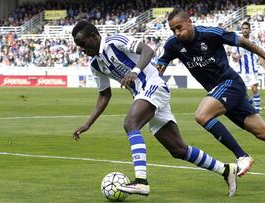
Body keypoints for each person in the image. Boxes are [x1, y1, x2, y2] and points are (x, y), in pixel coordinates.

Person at [156, 7, 265, 188]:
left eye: (179, 27)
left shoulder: (210, 34)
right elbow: (160, 66)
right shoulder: (172, 44)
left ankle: (241, 156)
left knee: (202, 115)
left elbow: (242, 41)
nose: (177, 33)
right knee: (264, 132)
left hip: (230, 83)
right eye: (173, 30)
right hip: (221, 92)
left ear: (189, 22)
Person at [71, 21, 238, 197]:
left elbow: (148, 50)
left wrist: (135, 72)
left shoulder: (115, 41)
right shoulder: (96, 65)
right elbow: (104, 94)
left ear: (94, 36)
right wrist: (88, 123)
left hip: (153, 86)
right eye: (78, 46)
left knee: (130, 123)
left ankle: (141, 181)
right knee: (178, 150)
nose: (82, 49)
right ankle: (226, 170)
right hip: (143, 96)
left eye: (83, 44)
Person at [230, 22, 265, 112]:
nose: (245, 30)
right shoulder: (237, 41)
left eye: (247, 28)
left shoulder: (254, 42)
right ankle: (249, 104)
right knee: (243, 92)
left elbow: (260, 56)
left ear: (249, 30)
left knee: (254, 88)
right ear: (241, 30)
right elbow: (233, 54)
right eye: (243, 28)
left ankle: (257, 110)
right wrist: (236, 57)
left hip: (252, 70)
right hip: (241, 71)